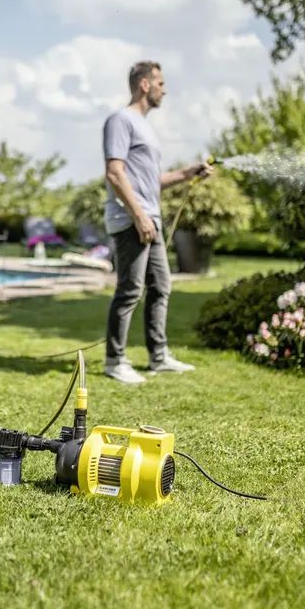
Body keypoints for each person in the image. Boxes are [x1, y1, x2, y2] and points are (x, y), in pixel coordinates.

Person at [102, 60, 213, 384]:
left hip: (150, 218)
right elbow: (114, 172)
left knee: (161, 286)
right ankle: (115, 361)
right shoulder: (121, 120)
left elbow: (150, 181)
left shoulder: (145, 126)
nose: (165, 89)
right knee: (130, 290)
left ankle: (158, 356)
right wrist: (138, 215)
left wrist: (187, 173)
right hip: (131, 219)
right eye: (161, 83)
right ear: (145, 85)